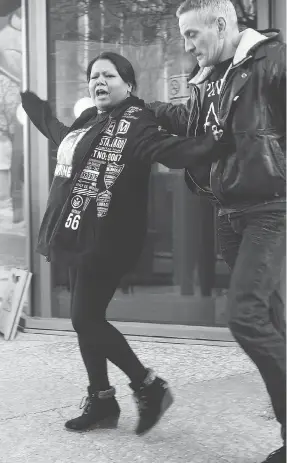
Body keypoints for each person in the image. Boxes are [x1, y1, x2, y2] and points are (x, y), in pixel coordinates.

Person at [20, 51, 230, 436]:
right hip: (79, 230)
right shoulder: (91, 121)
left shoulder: (137, 122)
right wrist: (36, 110)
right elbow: (61, 135)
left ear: (129, 84)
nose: (99, 81)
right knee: (85, 320)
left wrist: (215, 143)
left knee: (85, 318)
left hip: (110, 238)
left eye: (109, 75)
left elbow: (168, 150)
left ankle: (148, 386)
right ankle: (102, 400)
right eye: (94, 76)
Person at [147, 1, 286, 461]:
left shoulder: (273, 61)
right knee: (270, 319)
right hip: (229, 211)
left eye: (191, 34)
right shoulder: (210, 79)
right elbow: (191, 126)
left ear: (221, 24)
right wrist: (141, 107)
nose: (186, 45)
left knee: (245, 316)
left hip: (272, 207)